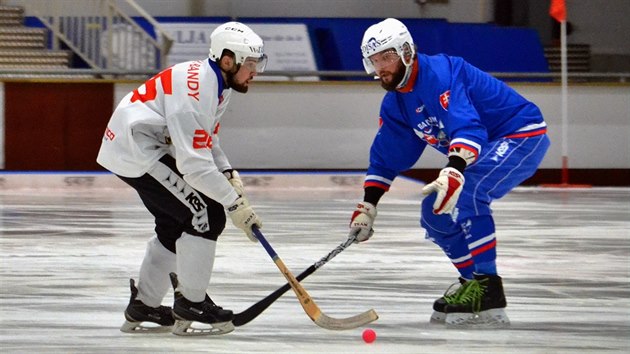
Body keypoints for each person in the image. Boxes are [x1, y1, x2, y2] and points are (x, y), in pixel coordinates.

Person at [348, 18, 550, 328]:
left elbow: (468, 126)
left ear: (405, 52)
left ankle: (488, 288)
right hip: (475, 152)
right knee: (434, 212)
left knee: (468, 193)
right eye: (374, 60)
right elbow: (386, 159)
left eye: (386, 57)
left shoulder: (441, 73)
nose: (380, 67)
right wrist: (368, 207)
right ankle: (472, 283)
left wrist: (454, 170)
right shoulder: (395, 104)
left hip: (521, 135)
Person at [97, 21, 266, 336]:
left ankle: (144, 304)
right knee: (206, 213)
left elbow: (208, 142)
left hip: (140, 145)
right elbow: (194, 167)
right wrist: (234, 204)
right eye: (251, 64)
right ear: (228, 60)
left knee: (175, 221)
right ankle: (192, 302)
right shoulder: (197, 91)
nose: (256, 71)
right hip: (136, 149)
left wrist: (229, 174)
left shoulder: (218, 84)